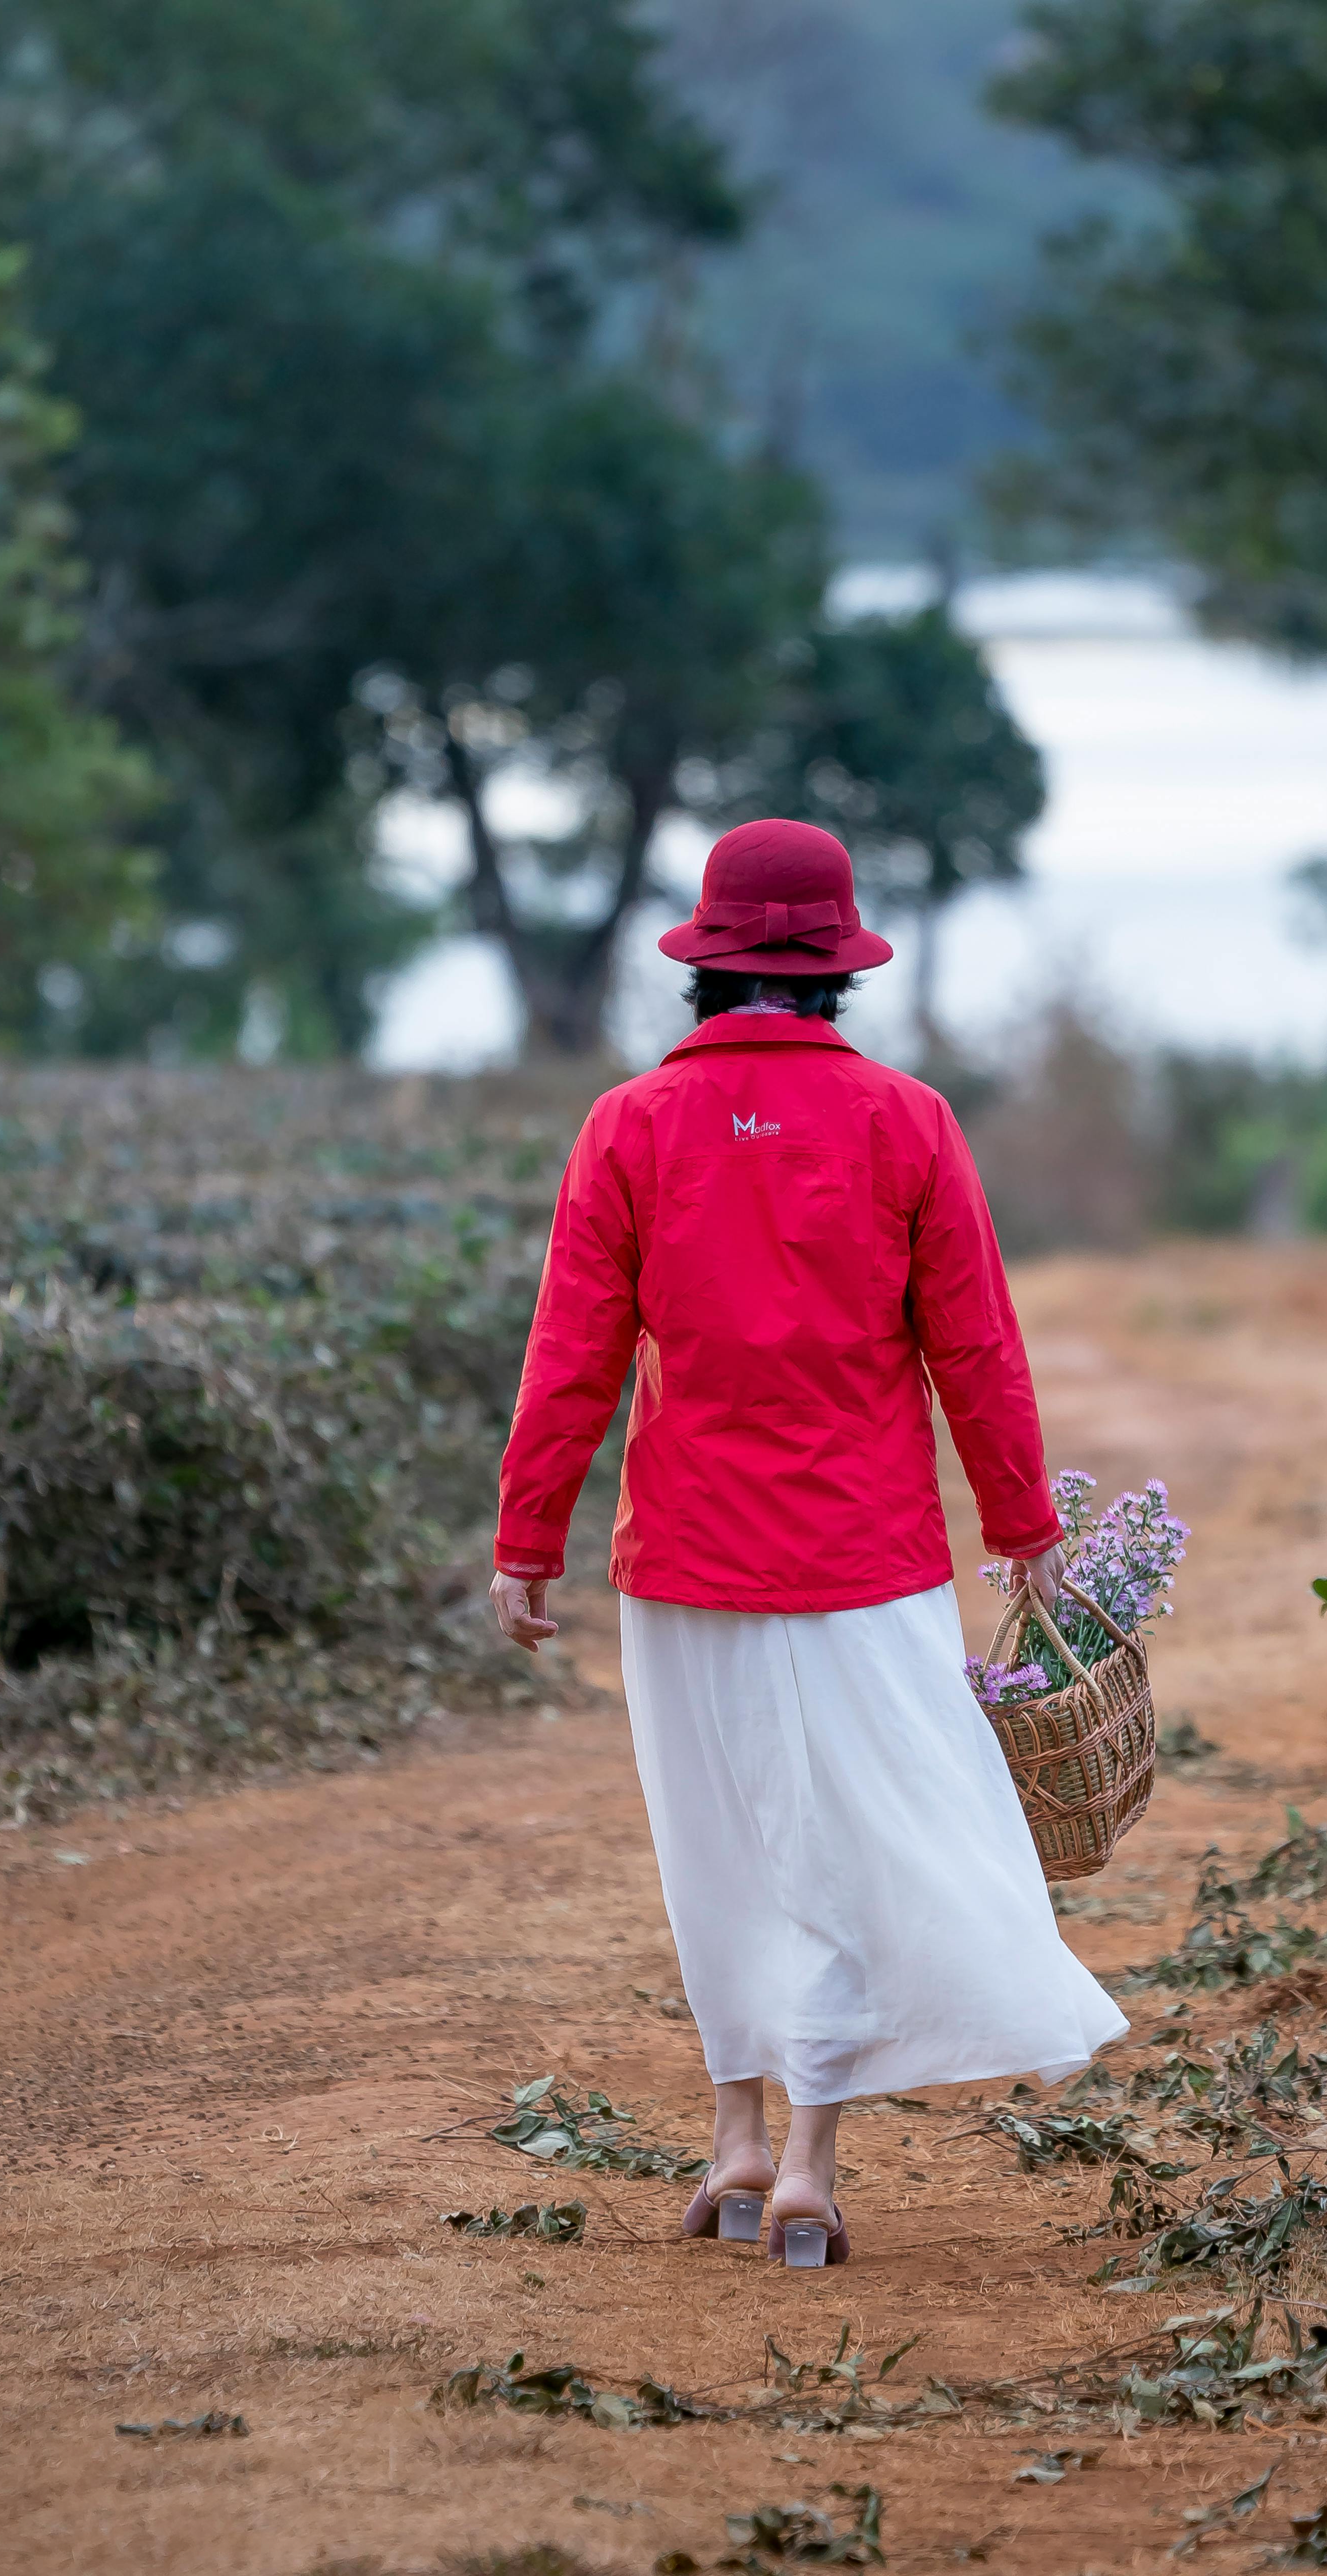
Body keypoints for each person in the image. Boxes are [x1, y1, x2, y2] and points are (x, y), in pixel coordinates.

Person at [490, 816, 1125, 2266]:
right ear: (837, 971)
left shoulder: (630, 1128)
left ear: (705, 970)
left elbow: (571, 1357)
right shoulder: (908, 1124)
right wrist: (1023, 1524)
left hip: (689, 1561)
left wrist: (529, 1538)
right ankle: (812, 2174)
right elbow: (977, 1347)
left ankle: (733, 2141)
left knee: (718, 1850)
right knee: (840, 1850)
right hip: (871, 1563)